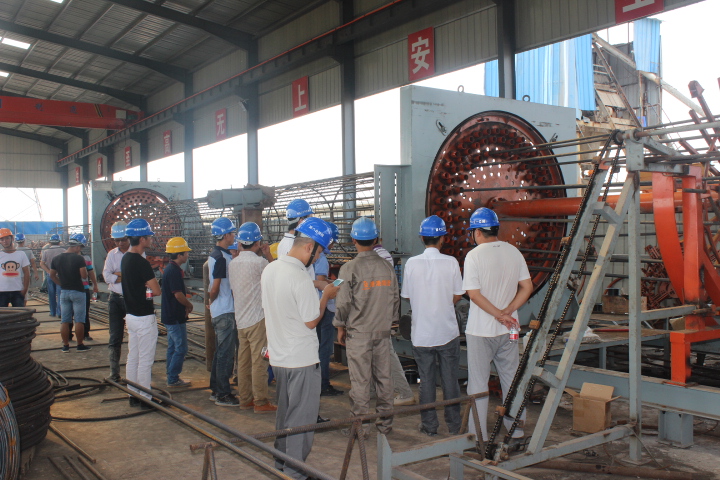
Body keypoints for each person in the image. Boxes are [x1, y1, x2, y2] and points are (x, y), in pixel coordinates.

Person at [261, 217, 339, 480]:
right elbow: (311, 321)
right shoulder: (299, 277)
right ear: (309, 247)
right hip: (302, 360)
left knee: (285, 415)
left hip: (280, 357)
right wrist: (326, 295)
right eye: (318, 253)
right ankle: (296, 473)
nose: (317, 259)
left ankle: (281, 464)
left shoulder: (271, 269)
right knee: (301, 422)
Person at [462, 207, 533, 444]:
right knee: (511, 379)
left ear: (477, 232)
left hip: (481, 331)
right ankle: (516, 432)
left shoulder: (474, 256)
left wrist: (498, 314)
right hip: (510, 329)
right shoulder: (514, 252)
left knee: (478, 383)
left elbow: (473, 294)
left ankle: (478, 436)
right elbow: (527, 287)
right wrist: (508, 312)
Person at [334, 217, 398, 437]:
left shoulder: (348, 269)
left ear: (353, 240)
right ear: (376, 239)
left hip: (359, 333)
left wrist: (340, 326)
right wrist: (390, 322)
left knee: (360, 381)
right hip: (382, 331)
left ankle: (360, 428)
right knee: (384, 379)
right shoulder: (387, 267)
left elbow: (343, 302)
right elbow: (395, 299)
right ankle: (385, 425)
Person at [401, 215, 465, 436]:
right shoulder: (451, 262)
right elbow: (458, 294)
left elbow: (407, 296)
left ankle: (429, 426)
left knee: (426, 381)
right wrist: (443, 303)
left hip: (422, 334)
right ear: (442, 239)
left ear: (422, 238)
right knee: (450, 380)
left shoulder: (411, 263)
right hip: (447, 332)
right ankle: (454, 425)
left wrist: (425, 302)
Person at [228, 222, 277, 413]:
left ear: (240, 242)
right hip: (257, 319)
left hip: (240, 319)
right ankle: (261, 401)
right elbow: (276, 276)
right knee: (260, 361)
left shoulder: (233, 263)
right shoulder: (260, 263)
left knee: (243, 361)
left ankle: (246, 399)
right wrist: (268, 255)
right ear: (258, 243)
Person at [121, 218, 161, 407]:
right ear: (142, 239)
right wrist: (150, 284)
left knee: (133, 357)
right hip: (144, 317)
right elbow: (157, 290)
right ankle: (146, 398)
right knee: (145, 360)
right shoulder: (141, 262)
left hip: (131, 315)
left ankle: (133, 395)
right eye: (149, 237)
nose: (151, 240)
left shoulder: (125, 258)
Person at [371, 241, 416, 406]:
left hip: (376, 314)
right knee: (372, 353)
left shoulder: (377, 256)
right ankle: (372, 390)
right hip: (379, 312)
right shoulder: (381, 255)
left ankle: (405, 393)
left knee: (387, 354)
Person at [208, 217, 239, 406]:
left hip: (222, 309)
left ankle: (216, 389)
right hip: (225, 311)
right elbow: (215, 288)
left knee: (221, 352)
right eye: (232, 233)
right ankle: (222, 393)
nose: (234, 236)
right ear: (226, 235)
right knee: (225, 355)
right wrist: (212, 301)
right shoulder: (220, 258)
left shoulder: (219, 255)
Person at [314, 222, 343, 397]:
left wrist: (331, 282)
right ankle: (323, 384)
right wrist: (336, 284)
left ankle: (316, 382)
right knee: (324, 348)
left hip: (312, 306)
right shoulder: (322, 259)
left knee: (317, 346)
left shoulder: (312, 256)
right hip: (323, 308)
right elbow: (320, 283)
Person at [49, 234, 91, 353]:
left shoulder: (56, 259)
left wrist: (61, 284)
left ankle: (65, 345)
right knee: (79, 320)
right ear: (77, 246)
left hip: (64, 292)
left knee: (65, 320)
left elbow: (52, 275)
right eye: (80, 247)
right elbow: (84, 275)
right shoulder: (79, 258)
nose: (80, 249)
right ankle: (80, 344)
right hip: (78, 291)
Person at [162, 237, 194, 388]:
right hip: (174, 316)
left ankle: (171, 375)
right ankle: (173, 378)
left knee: (173, 347)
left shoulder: (171, 269)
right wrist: (189, 305)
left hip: (172, 315)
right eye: (186, 253)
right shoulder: (173, 271)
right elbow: (178, 295)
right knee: (181, 348)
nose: (187, 255)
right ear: (179, 255)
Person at [103, 221, 131, 382]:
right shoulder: (112, 254)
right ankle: (114, 373)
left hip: (130, 299)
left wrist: (117, 275)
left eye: (123, 239)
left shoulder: (136, 253)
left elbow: (134, 276)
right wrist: (122, 276)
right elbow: (106, 276)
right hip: (114, 299)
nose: (120, 243)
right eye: (117, 240)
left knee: (134, 335)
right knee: (115, 337)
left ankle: (136, 369)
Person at [0, 228, 30, 307]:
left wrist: (24, 290)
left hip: (17, 291)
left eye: (7, 238)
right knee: (2, 314)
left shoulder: (21, 254)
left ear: (12, 238)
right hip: (1, 292)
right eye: (2, 239)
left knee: (19, 314)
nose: (5, 241)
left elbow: (27, 272)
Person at [40, 234, 65, 317]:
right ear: (59, 242)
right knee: (60, 294)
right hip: (60, 276)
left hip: (50, 275)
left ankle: (52, 312)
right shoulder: (64, 251)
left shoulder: (46, 252)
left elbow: (42, 264)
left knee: (51, 294)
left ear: (50, 243)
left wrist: (49, 272)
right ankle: (59, 312)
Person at [80, 239, 99, 341]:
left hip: (68, 289)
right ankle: (85, 334)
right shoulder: (85, 258)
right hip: (83, 289)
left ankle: (68, 335)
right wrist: (95, 284)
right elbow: (89, 273)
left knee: (70, 314)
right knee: (84, 312)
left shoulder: (64, 257)